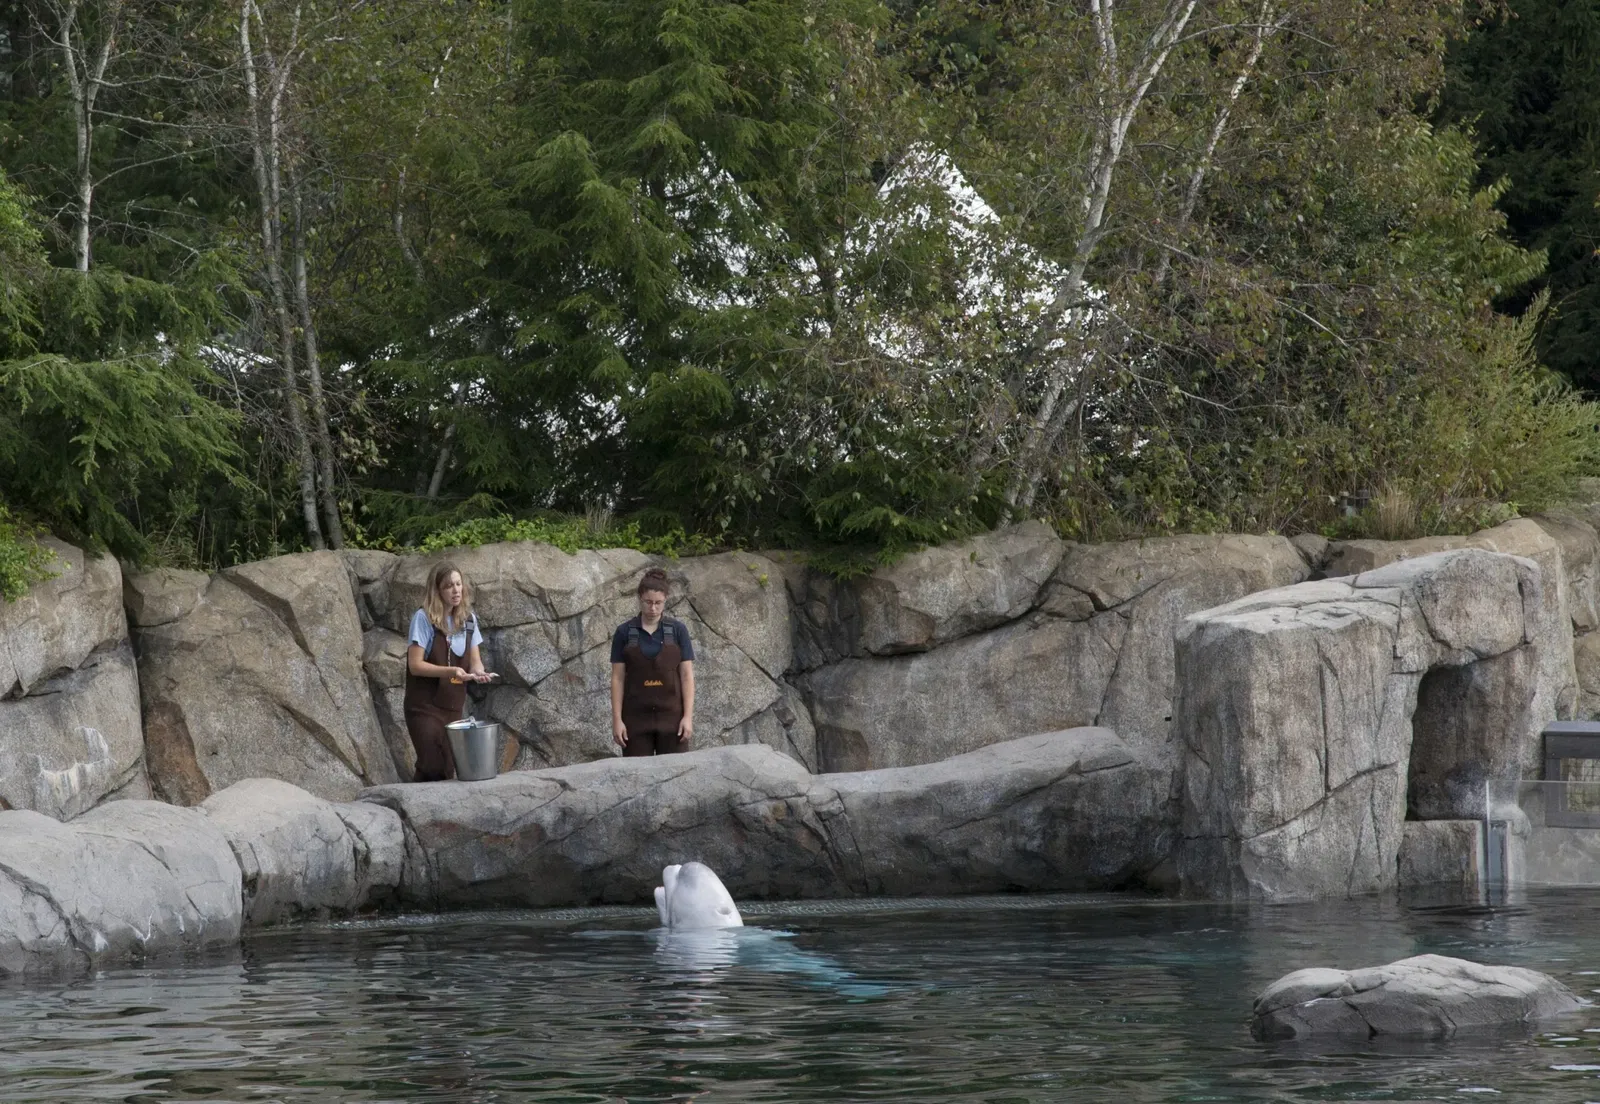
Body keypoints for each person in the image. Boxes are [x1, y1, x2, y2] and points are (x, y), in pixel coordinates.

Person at [405, 562, 492, 781]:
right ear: (437, 590)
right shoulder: (423, 619)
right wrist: (452, 671)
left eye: (458, 584)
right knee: (432, 763)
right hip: (424, 706)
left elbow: (475, 662)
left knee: (447, 769)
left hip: (452, 707)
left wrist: (480, 673)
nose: (455, 590)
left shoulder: (469, 621)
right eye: (448, 586)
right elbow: (415, 666)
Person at [610, 567, 696, 756]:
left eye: (658, 603)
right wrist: (617, 720)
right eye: (648, 602)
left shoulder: (677, 630)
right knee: (636, 778)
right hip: (635, 721)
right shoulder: (624, 632)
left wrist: (687, 717)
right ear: (640, 598)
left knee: (676, 775)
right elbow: (617, 679)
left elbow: (687, 676)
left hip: (673, 720)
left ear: (666, 600)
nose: (653, 608)